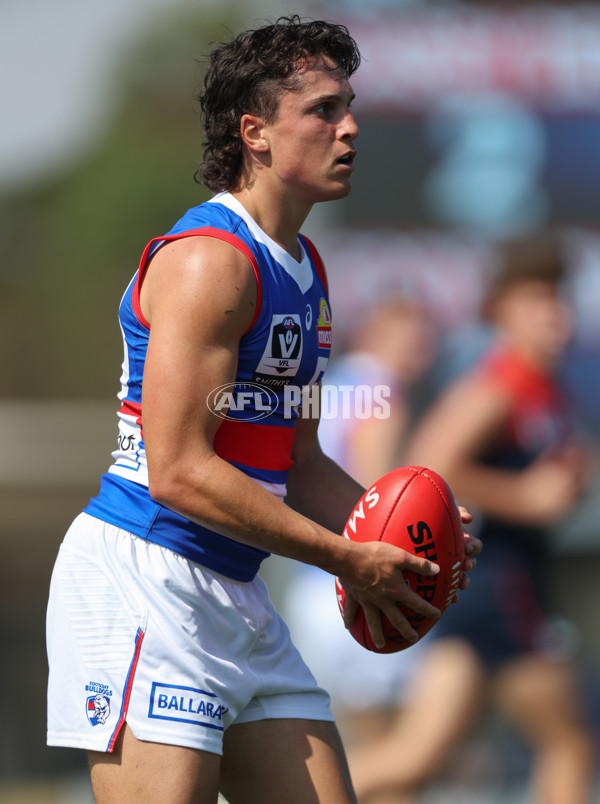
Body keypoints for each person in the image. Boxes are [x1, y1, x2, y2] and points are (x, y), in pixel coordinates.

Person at [45, 16, 480, 804]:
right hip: (148, 577)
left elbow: (298, 462)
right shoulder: (212, 263)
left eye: (349, 106)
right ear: (257, 133)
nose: (349, 126)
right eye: (321, 109)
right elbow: (179, 471)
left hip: (236, 592)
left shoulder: (307, 271)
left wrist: (406, 548)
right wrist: (349, 559)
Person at [348, 236, 596, 804]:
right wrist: (525, 496)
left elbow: (551, 477)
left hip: (485, 590)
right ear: (500, 310)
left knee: (417, 756)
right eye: (537, 299)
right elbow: (431, 464)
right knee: (569, 744)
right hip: (497, 586)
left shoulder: (545, 388)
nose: (554, 313)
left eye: (559, 299)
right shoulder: (496, 384)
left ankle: (280, 792)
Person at [281, 297, 438, 745]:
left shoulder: (337, 382)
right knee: (391, 753)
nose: (420, 352)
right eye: (410, 340)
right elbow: (381, 494)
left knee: (359, 748)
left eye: (426, 342)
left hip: (313, 583)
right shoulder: (383, 388)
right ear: (374, 336)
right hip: (362, 583)